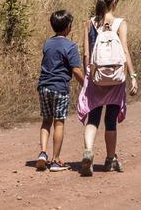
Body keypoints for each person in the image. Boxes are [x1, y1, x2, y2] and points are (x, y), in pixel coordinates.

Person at [77, 0, 138, 177]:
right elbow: (125, 51)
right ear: (114, 3)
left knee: (93, 117)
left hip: (95, 76)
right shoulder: (120, 23)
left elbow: (86, 53)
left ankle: (88, 151)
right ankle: (110, 158)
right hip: (115, 78)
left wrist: (89, 75)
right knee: (110, 119)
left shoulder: (89, 23)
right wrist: (133, 76)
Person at [36, 10, 85, 173]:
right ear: (68, 27)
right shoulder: (70, 46)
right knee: (59, 122)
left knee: (46, 120)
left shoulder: (47, 43)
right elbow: (76, 70)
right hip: (59, 88)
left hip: (43, 86)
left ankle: (43, 153)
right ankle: (55, 160)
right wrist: (86, 84)